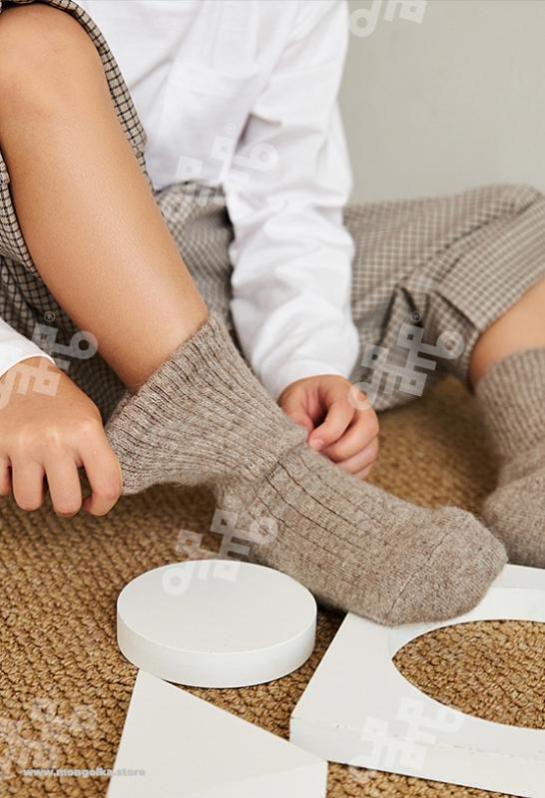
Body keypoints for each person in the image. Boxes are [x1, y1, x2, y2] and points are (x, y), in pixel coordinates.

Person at [0, 0, 542, 626]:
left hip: (186, 276)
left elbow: (287, 204)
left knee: (510, 224)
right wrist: (14, 374)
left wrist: (303, 363)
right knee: (30, 48)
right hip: (25, 290)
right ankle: (264, 472)